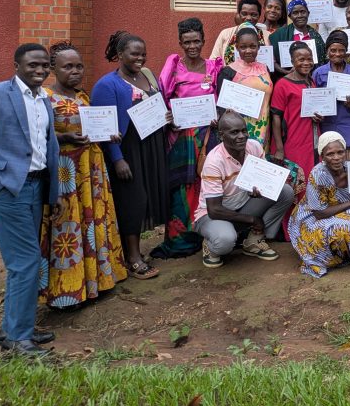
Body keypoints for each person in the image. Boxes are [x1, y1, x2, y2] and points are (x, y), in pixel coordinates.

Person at [0, 43, 60, 357]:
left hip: (37, 188)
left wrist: (53, 190)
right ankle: (20, 340)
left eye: (44, 65)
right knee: (26, 262)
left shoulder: (43, 99)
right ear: (17, 65)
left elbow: (46, 146)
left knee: (21, 264)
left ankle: (12, 329)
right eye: (33, 64)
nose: (40, 70)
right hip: (9, 190)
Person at [40, 42, 128, 306]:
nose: (75, 71)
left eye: (79, 66)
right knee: (67, 227)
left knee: (91, 223)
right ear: (54, 68)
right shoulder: (44, 98)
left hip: (91, 171)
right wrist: (64, 136)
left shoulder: (83, 97)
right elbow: (35, 135)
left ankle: (99, 280)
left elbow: (94, 130)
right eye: (68, 67)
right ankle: (68, 291)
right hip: (64, 173)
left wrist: (109, 134)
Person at [92, 31, 172, 280]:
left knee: (145, 197)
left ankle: (135, 252)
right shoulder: (107, 85)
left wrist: (166, 117)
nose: (140, 58)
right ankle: (133, 257)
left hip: (151, 148)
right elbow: (104, 127)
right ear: (120, 55)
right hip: (128, 151)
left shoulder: (146, 76)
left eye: (143, 54)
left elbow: (156, 106)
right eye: (134, 53)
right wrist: (117, 159)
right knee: (132, 202)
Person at [154, 17, 224, 258]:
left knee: (205, 184)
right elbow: (163, 97)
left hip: (207, 136)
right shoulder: (174, 66)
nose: (192, 46)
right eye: (187, 42)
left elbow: (220, 99)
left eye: (196, 41)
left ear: (204, 41)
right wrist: (170, 117)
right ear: (180, 43)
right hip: (182, 137)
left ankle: (205, 234)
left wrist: (217, 116)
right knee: (181, 188)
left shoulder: (214, 67)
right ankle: (180, 240)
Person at [195, 112, 292, 267]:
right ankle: (211, 245)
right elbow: (214, 210)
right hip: (213, 215)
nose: (241, 136)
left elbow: (262, 180)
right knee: (225, 241)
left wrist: (260, 188)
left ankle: (253, 240)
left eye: (244, 131)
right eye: (234, 132)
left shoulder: (254, 147)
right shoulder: (214, 162)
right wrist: (253, 219)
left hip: (241, 204)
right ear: (221, 136)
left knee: (285, 191)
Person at [289, 131, 350, 277]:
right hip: (313, 218)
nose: (336, 158)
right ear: (322, 156)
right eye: (330, 154)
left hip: (341, 209)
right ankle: (336, 254)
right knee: (342, 226)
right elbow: (319, 213)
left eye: (340, 152)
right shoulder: (318, 174)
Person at [215, 24, 274, 144]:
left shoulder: (265, 69)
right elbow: (222, 108)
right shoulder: (228, 72)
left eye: (253, 46)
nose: (248, 51)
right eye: (243, 47)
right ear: (236, 47)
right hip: (239, 131)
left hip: (264, 126)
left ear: (259, 47)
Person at [269, 41, 317, 180]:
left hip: (311, 137)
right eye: (301, 59)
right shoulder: (283, 84)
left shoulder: (311, 82)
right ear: (292, 61)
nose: (306, 63)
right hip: (292, 139)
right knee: (296, 177)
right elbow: (276, 117)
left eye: (309, 59)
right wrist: (279, 148)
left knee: (311, 176)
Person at [311, 30, 350, 159]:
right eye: (333, 50)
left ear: (346, 51)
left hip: (348, 123)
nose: (337, 54)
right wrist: (316, 114)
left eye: (341, 50)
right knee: (328, 155)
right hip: (325, 123)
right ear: (327, 51)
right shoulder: (318, 73)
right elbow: (312, 101)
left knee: (348, 157)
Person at [269, 0, 326, 76]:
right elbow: (271, 61)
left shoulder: (316, 36)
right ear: (290, 16)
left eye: (303, 12)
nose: (300, 16)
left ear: (308, 13)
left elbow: (323, 61)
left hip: (312, 79)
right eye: (295, 13)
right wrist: (286, 72)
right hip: (287, 78)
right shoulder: (279, 35)